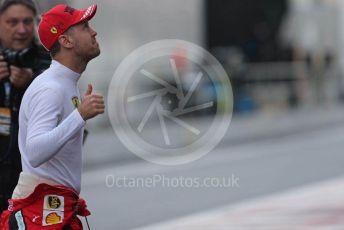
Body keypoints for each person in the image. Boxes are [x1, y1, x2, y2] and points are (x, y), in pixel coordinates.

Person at [0, 3, 104, 229]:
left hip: (54, 208)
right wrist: (80, 115)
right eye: (85, 26)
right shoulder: (51, 88)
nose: (94, 32)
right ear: (66, 41)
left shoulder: (64, 83)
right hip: (42, 211)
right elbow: (35, 151)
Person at [0, 0, 50, 215]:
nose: (21, 29)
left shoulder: (48, 60)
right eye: (12, 22)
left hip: (34, 177)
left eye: (27, 22)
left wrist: (33, 82)